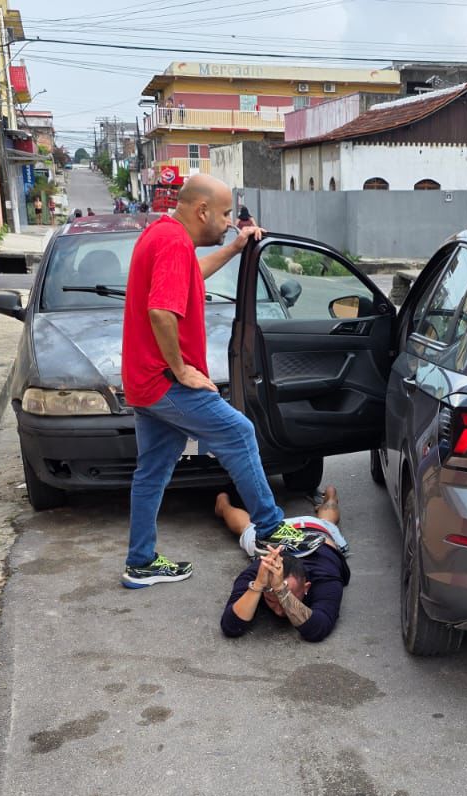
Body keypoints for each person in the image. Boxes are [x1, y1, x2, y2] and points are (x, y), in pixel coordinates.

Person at [120, 173, 325, 588]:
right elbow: (161, 311)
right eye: (226, 214)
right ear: (202, 211)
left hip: (143, 380)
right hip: (164, 381)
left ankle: (140, 562)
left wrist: (235, 248)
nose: (230, 221)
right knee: (239, 431)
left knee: (152, 472)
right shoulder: (174, 242)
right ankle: (269, 524)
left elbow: (192, 274)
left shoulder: (164, 234)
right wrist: (180, 369)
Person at [218, 487, 349, 642]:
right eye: (272, 599)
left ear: (307, 587)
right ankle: (222, 505)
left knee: (328, 523)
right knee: (246, 527)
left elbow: (317, 629)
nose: (280, 611)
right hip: (276, 535)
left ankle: (331, 497)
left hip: (316, 530)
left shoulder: (325, 579)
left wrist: (281, 590)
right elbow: (230, 625)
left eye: (284, 597)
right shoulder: (258, 573)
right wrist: (258, 585)